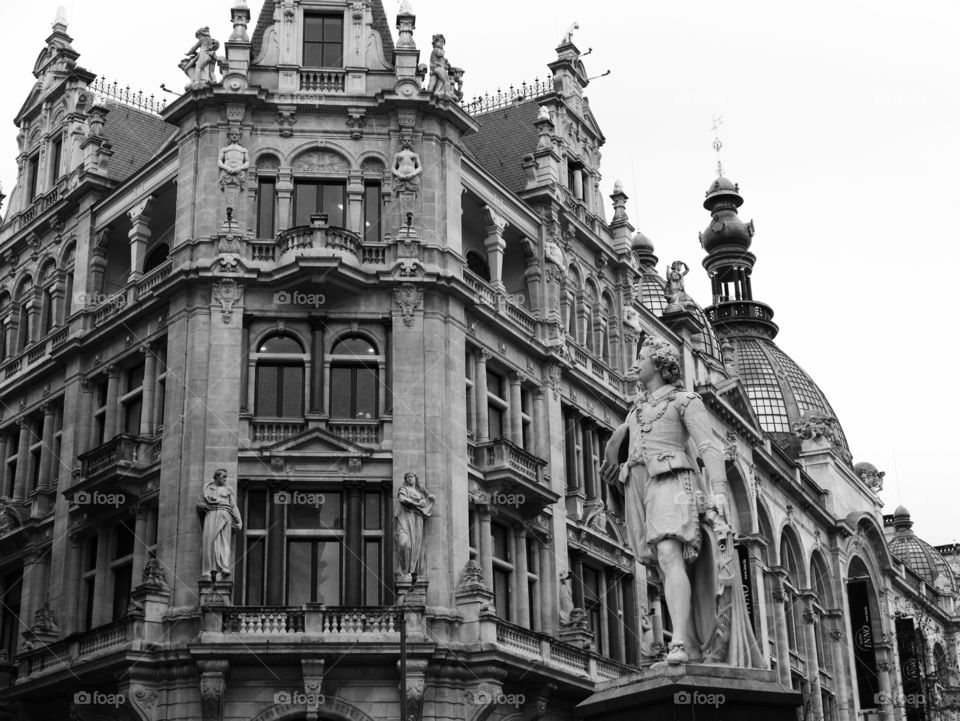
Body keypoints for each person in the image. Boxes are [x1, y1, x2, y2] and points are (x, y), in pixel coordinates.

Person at [600, 335, 760, 666]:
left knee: (669, 552)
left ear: (659, 363)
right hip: (638, 489)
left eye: (641, 357)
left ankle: (681, 644)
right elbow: (622, 453)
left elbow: (707, 446)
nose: (635, 364)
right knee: (661, 564)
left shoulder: (685, 401)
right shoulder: (636, 410)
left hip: (672, 482)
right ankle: (693, 646)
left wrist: (717, 492)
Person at [199, 469, 242, 580]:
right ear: (217, 477)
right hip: (211, 514)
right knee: (210, 541)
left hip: (224, 514)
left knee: (223, 541)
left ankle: (223, 566)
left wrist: (239, 521)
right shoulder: (207, 488)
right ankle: (210, 569)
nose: (225, 479)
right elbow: (200, 504)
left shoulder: (228, 490)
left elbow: (234, 506)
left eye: (226, 477)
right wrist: (201, 507)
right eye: (223, 477)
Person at [395, 472, 435, 581]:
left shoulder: (419, 493)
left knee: (415, 546)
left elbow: (426, 507)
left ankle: (411, 572)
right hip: (405, 518)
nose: (409, 479)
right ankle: (404, 571)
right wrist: (417, 504)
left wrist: (430, 500)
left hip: (416, 520)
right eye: (407, 477)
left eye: (411, 477)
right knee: (404, 543)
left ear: (415, 478)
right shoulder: (404, 489)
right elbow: (402, 500)